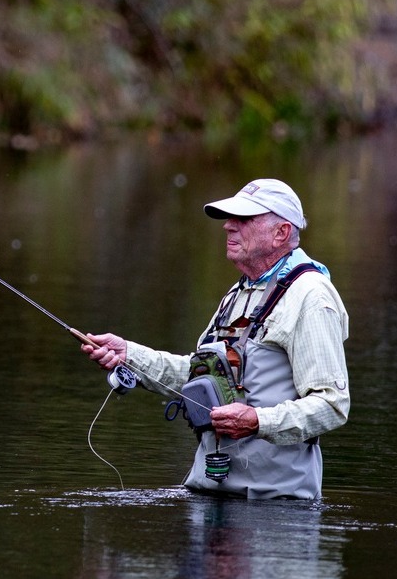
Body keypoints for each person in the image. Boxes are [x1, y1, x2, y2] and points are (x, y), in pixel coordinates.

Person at [81, 178, 350, 499]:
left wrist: (257, 421)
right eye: (229, 218)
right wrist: (129, 356)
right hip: (207, 489)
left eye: (244, 219)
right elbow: (200, 376)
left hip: (275, 504)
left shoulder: (311, 296)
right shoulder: (240, 292)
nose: (228, 227)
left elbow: (332, 404)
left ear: (281, 232)